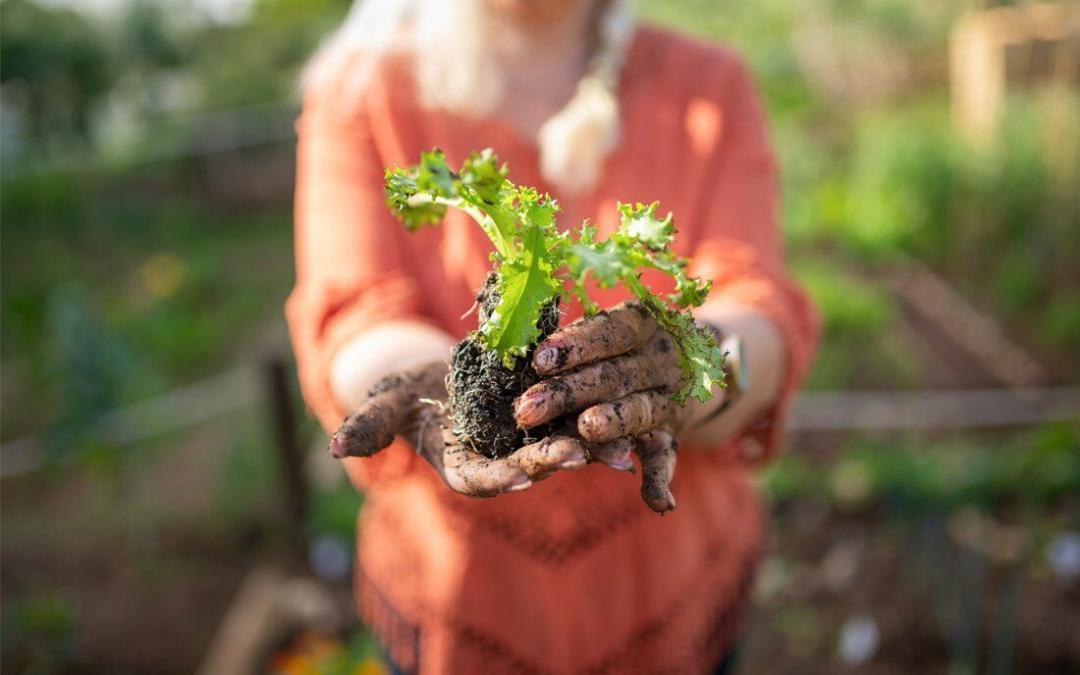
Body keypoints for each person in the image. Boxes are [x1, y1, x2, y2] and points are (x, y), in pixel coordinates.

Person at [286, 0, 819, 672]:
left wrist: (688, 370)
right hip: (457, 595)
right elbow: (357, 314)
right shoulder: (362, 90)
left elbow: (753, 306)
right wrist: (438, 389)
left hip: (677, 586)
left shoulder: (709, 86)